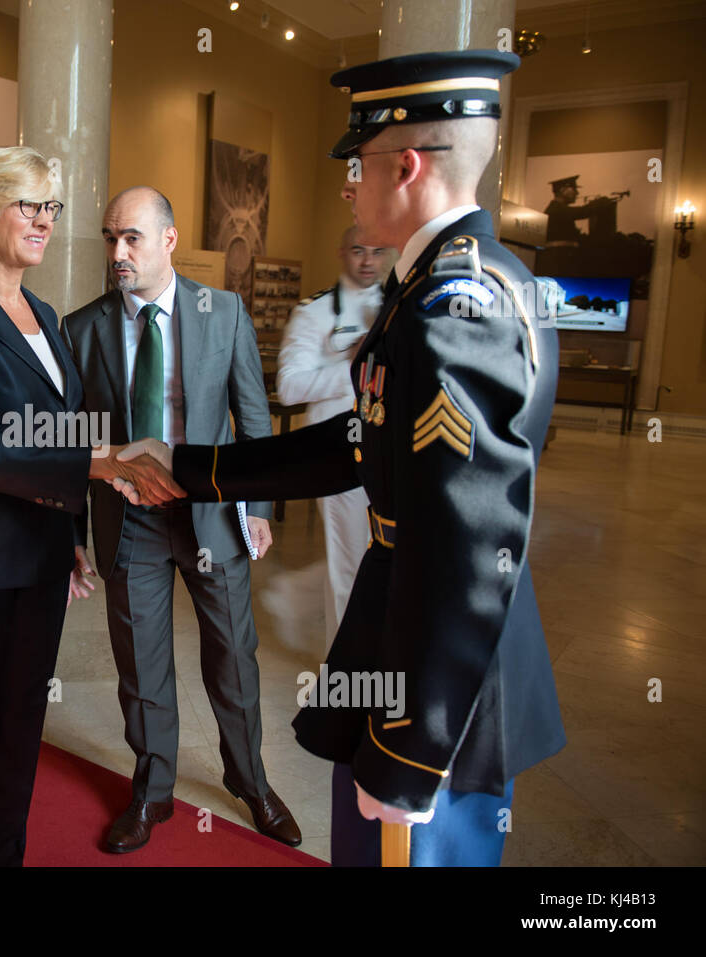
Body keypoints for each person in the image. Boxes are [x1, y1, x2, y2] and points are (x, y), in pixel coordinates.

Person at [117, 50, 566, 866]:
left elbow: (469, 543)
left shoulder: (456, 305)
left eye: (356, 166)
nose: (347, 187)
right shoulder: (432, 284)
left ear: (409, 163)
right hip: (399, 635)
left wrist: (413, 749)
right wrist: (190, 467)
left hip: (439, 684)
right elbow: (360, 440)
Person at [0, 147, 174, 866]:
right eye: (29, 205)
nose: (45, 221)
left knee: (20, 724)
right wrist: (104, 463)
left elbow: (64, 427)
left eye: (51, 208)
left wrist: (69, 530)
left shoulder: (46, 314)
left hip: (39, 552)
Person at [63, 186, 301, 852]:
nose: (118, 251)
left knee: (233, 657)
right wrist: (70, 533)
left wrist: (257, 507)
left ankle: (251, 780)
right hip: (129, 521)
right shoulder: (83, 328)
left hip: (213, 516)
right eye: (111, 237)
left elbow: (253, 419)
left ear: (168, 239)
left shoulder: (222, 313)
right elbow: (77, 440)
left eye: (132, 237)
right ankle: (152, 789)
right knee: (141, 664)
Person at [276, 227, 391, 647]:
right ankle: (342, 675)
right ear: (342, 252)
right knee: (348, 564)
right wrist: (357, 363)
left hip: (393, 453)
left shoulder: (397, 308)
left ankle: (295, 599)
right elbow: (289, 387)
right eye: (359, 250)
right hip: (340, 453)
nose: (368, 261)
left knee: (383, 561)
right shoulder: (315, 312)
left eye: (378, 251)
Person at [543, 175, 607, 244]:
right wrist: (603, 200)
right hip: (560, 254)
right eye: (574, 189)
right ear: (562, 190)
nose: (577, 193)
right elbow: (583, 211)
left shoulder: (556, 208)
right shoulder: (556, 209)